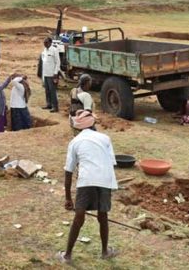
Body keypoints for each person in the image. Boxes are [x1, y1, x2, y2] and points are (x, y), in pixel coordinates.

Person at [58, 110, 119, 263]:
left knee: (79, 217)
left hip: (86, 180)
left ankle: (67, 255)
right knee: (102, 215)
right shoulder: (105, 138)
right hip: (105, 179)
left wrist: (68, 198)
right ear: (93, 124)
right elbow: (111, 162)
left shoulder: (75, 142)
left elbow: (68, 171)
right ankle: (105, 251)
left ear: (77, 128)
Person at [41, 37, 61, 113]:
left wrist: (56, 73)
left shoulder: (54, 50)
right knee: (47, 91)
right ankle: (48, 104)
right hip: (45, 74)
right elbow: (44, 63)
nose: (44, 44)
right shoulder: (44, 51)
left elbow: (58, 62)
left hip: (52, 74)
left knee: (52, 91)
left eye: (46, 42)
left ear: (50, 43)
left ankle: (55, 106)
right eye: (44, 42)